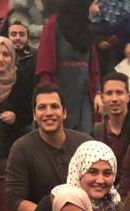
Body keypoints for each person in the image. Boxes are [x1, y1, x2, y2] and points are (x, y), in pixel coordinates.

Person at [5, 83, 89, 211]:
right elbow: (14, 200)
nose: (49, 112)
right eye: (42, 107)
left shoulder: (84, 143)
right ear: (34, 115)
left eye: (54, 106)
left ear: (64, 113)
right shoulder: (21, 148)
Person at [35, 0, 100, 133]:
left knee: (85, 135)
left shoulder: (86, 29)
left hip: (84, 95)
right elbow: (45, 65)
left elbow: (93, 68)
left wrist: (98, 92)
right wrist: (48, 96)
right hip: (60, 92)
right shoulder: (53, 25)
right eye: (94, 4)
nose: (97, 9)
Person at [92, 72, 130, 171]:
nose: (114, 99)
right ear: (102, 97)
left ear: (128, 96)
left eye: (119, 93)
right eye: (109, 93)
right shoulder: (97, 132)